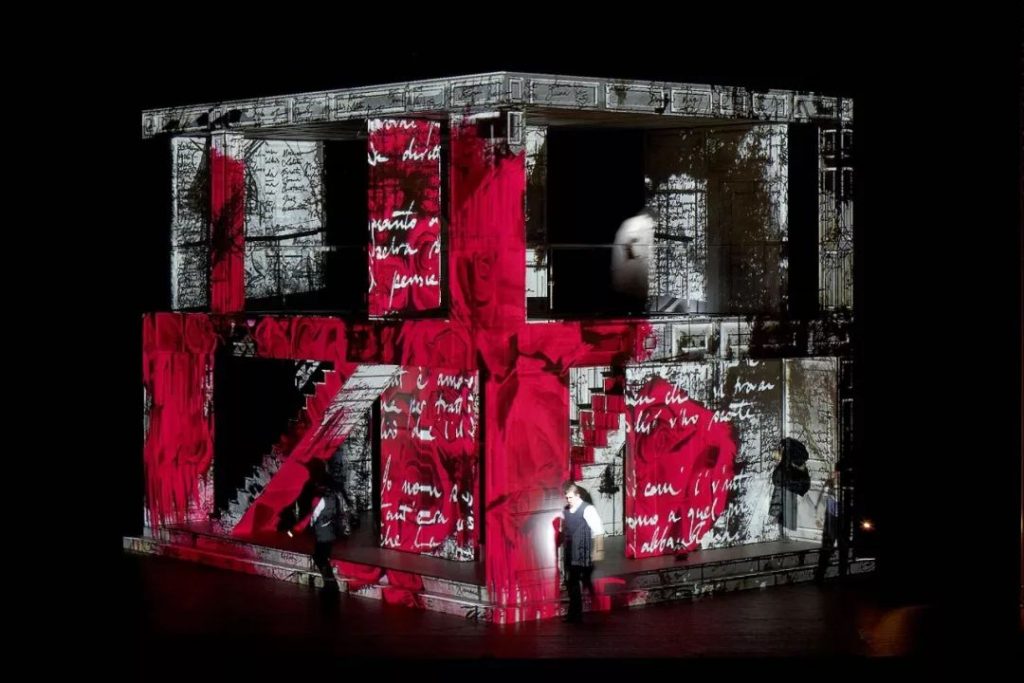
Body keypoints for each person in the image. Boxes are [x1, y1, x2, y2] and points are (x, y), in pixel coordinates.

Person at [560, 482, 605, 623]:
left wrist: (599, 551)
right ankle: (576, 613)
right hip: (570, 551)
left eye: (571, 497)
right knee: (572, 582)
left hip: (582, 551)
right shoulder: (566, 510)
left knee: (577, 581)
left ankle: (578, 613)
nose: (568, 500)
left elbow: (598, 530)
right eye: (567, 498)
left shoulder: (587, 509)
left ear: (577, 495)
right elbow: (565, 531)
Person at [611, 208, 656, 314]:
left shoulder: (629, 223)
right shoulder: (643, 223)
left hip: (627, 276)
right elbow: (629, 243)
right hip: (634, 275)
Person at [815, 473, 839, 582]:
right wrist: (818, 517)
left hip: (841, 516)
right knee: (828, 543)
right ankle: (820, 573)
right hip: (831, 516)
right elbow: (822, 501)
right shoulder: (829, 483)